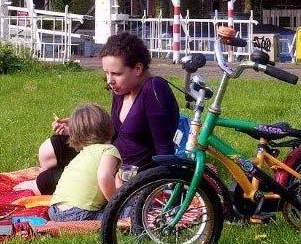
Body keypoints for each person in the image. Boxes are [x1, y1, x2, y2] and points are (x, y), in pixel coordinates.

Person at [16, 32, 180, 195]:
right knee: (52, 148)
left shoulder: (154, 90)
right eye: (106, 73)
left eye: (116, 74)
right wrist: (78, 128)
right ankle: (65, 175)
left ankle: (55, 182)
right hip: (106, 153)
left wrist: (166, 189)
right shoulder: (122, 90)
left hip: (123, 172)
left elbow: (165, 149)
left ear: (138, 68)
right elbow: (114, 132)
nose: (109, 80)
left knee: (44, 180)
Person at [48, 104, 121, 222]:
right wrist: (118, 202)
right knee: (132, 208)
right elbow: (104, 177)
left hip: (55, 211)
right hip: (79, 213)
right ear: (109, 125)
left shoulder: (83, 154)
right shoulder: (108, 149)